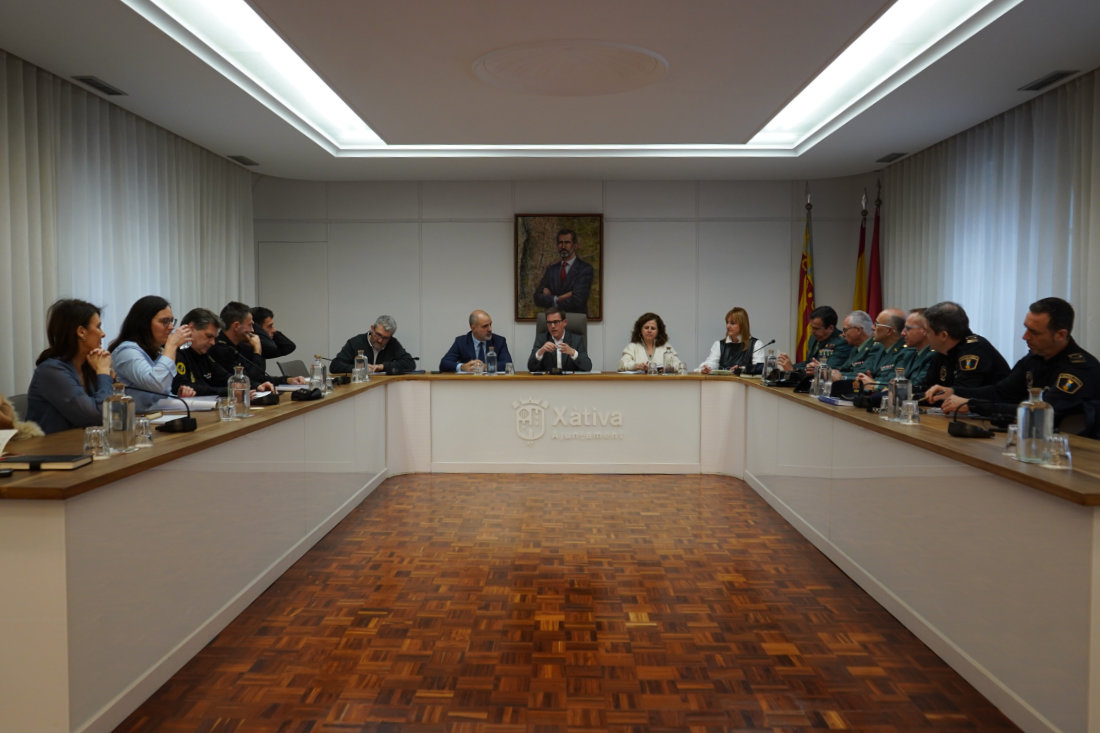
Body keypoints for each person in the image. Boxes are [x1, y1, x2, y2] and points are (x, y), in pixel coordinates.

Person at [930, 298, 1100, 424]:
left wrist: (973, 405)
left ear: (1060, 335)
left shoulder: (1079, 369)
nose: (1025, 336)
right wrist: (953, 391)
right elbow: (1001, 392)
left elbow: (1041, 412)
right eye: (1026, 328)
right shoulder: (1034, 359)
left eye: (1034, 332)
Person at [25, 299, 116, 434]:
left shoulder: (89, 365)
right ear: (81, 332)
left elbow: (116, 415)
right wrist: (103, 372)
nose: (103, 334)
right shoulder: (50, 371)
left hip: (84, 443)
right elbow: (96, 417)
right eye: (98, 327)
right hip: (53, 446)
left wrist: (109, 378)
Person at [109, 295, 196, 412]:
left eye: (171, 321)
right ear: (144, 323)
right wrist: (171, 346)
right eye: (165, 321)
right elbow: (156, 384)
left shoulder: (155, 351)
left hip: (155, 417)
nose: (171, 327)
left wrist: (176, 398)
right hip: (132, 420)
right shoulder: (126, 351)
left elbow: (157, 395)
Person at [173, 309, 276, 396]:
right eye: (209, 336)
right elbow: (186, 387)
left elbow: (226, 378)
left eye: (214, 338)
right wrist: (231, 391)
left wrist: (256, 386)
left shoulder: (204, 355)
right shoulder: (176, 352)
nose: (213, 343)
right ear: (191, 329)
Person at [920, 301, 1010, 396]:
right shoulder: (943, 352)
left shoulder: (974, 351)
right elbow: (928, 387)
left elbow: (960, 395)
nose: (924, 335)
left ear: (943, 335)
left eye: (927, 331)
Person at [210, 301, 306, 387]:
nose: (252, 330)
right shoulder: (220, 349)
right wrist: (257, 350)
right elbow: (250, 381)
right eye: (250, 325)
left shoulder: (239, 346)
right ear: (236, 326)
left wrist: (287, 380)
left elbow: (258, 378)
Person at [532, 228, 595, 316]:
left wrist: (551, 298)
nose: (563, 246)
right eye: (560, 242)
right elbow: (537, 298)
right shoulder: (551, 270)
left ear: (575, 246)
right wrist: (558, 298)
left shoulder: (585, 269)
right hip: (553, 320)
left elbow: (578, 300)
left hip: (575, 320)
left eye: (567, 242)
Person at [331, 315, 416, 374]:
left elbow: (410, 363)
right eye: (378, 334)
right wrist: (359, 368)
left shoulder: (392, 343)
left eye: (385, 338)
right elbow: (335, 366)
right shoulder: (355, 342)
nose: (380, 340)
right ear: (372, 329)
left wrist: (383, 366)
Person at [777, 305, 850, 374]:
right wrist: (791, 366)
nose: (811, 331)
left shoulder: (842, 342)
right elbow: (808, 363)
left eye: (816, 328)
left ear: (830, 328)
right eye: (811, 327)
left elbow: (829, 369)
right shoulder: (813, 338)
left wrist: (794, 370)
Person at [440, 310, 513, 373]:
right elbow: (444, 364)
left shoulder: (499, 341)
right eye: (485, 326)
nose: (490, 329)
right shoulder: (461, 342)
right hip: (469, 383)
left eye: (490, 324)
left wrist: (486, 367)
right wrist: (462, 367)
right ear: (473, 328)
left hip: (493, 382)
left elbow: (508, 364)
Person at [698, 306, 763, 374]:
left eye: (732, 323)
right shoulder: (719, 345)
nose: (728, 326)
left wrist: (742, 369)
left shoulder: (756, 344)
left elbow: (759, 368)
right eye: (727, 322)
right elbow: (712, 362)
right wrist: (707, 367)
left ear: (743, 325)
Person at [852, 309, 907, 388]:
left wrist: (874, 384)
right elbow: (864, 371)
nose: (872, 327)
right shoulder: (878, 348)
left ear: (889, 331)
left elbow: (895, 381)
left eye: (876, 324)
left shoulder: (905, 352)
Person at [527, 307, 592, 372]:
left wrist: (573, 352)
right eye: (549, 322)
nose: (552, 326)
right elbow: (531, 367)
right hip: (549, 378)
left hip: (570, 378)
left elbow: (587, 367)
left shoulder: (576, 340)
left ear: (564, 322)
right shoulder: (542, 339)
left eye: (556, 322)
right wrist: (540, 352)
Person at [618, 312, 684, 372]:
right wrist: (637, 366)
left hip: (661, 381)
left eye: (653, 328)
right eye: (646, 328)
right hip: (639, 381)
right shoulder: (632, 346)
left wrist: (660, 368)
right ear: (640, 330)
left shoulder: (666, 347)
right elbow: (622, 365)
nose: (649, 331)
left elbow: (678, 365)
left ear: (658, 331)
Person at [828, 310, 875, 381]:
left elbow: (864, 373)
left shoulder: (875, 347)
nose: (843, 334)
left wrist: (841, 376)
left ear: (858, 330)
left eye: (845, 330)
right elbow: (844, 369)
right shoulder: (855, 348)